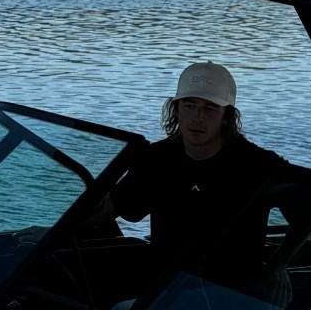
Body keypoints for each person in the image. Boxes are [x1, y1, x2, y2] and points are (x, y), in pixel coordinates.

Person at [110, 62, 288, 288]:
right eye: (190, 105)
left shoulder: (257, 164)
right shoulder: (157, 157)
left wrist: (278, 265)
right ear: (176, 109)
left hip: (234, 295)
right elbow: (118, 206)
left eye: (210, 108)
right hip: (164, 291)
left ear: (226, 116)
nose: (198, 116)